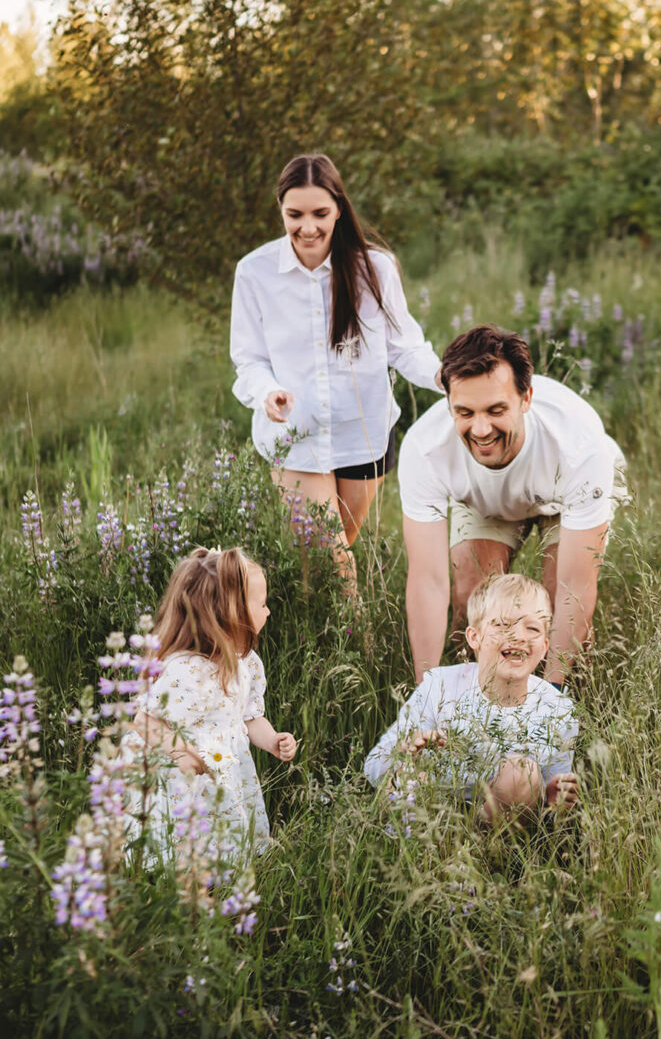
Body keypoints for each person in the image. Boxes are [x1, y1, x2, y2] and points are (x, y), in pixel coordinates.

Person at [230, 153, 444, 588]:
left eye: (320, 214)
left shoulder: (374, 268)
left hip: (361, 434)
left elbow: (406, 348)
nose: (307, 227)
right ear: (280, 209)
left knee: (329, 559)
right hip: (296, 435)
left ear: (339, 209)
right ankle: (360, 647)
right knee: (336, 564)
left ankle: (316, 632)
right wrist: (266, 392)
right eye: (295, 214)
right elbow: (249, 359)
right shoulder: (254, 272)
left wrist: (448, 379)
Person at [398, 325, 627, 687]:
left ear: (526, 399)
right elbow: (428, 580)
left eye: (495, 410)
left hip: (561, 496)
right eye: (465, 412)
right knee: (473, 605)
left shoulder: (581, 446)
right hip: (485, 502)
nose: (481, 429)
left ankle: (569, 702)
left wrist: (549, 697)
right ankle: (481, 699)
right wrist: (424, 692)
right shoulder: (424, 449)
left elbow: (576, 585)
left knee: (554, 604)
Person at [364, 574, 580, 824]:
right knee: (410, 773)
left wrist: (552, 801)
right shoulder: (440, 687)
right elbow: (373, 766)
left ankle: (483, 852)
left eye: (531, 628)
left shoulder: (558, 709)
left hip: (502, 824)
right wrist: (403, 750)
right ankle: (427, 849)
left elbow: (554, 803)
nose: (518, 636)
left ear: (544, 646)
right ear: (474, 637)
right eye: (502, 625)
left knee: (524, 773)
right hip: (436, 813)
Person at [133, 546, 297, 851]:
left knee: (227, 845)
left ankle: (224, 883)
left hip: (227, 775)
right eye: (262, 604)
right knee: (192, 847)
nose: (268, 611)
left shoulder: (246, 663)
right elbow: (145, 722)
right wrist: (185, 754)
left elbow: (249, 718)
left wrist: (273, 741)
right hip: (189, 783)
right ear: (231, 612)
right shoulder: (185, 669)